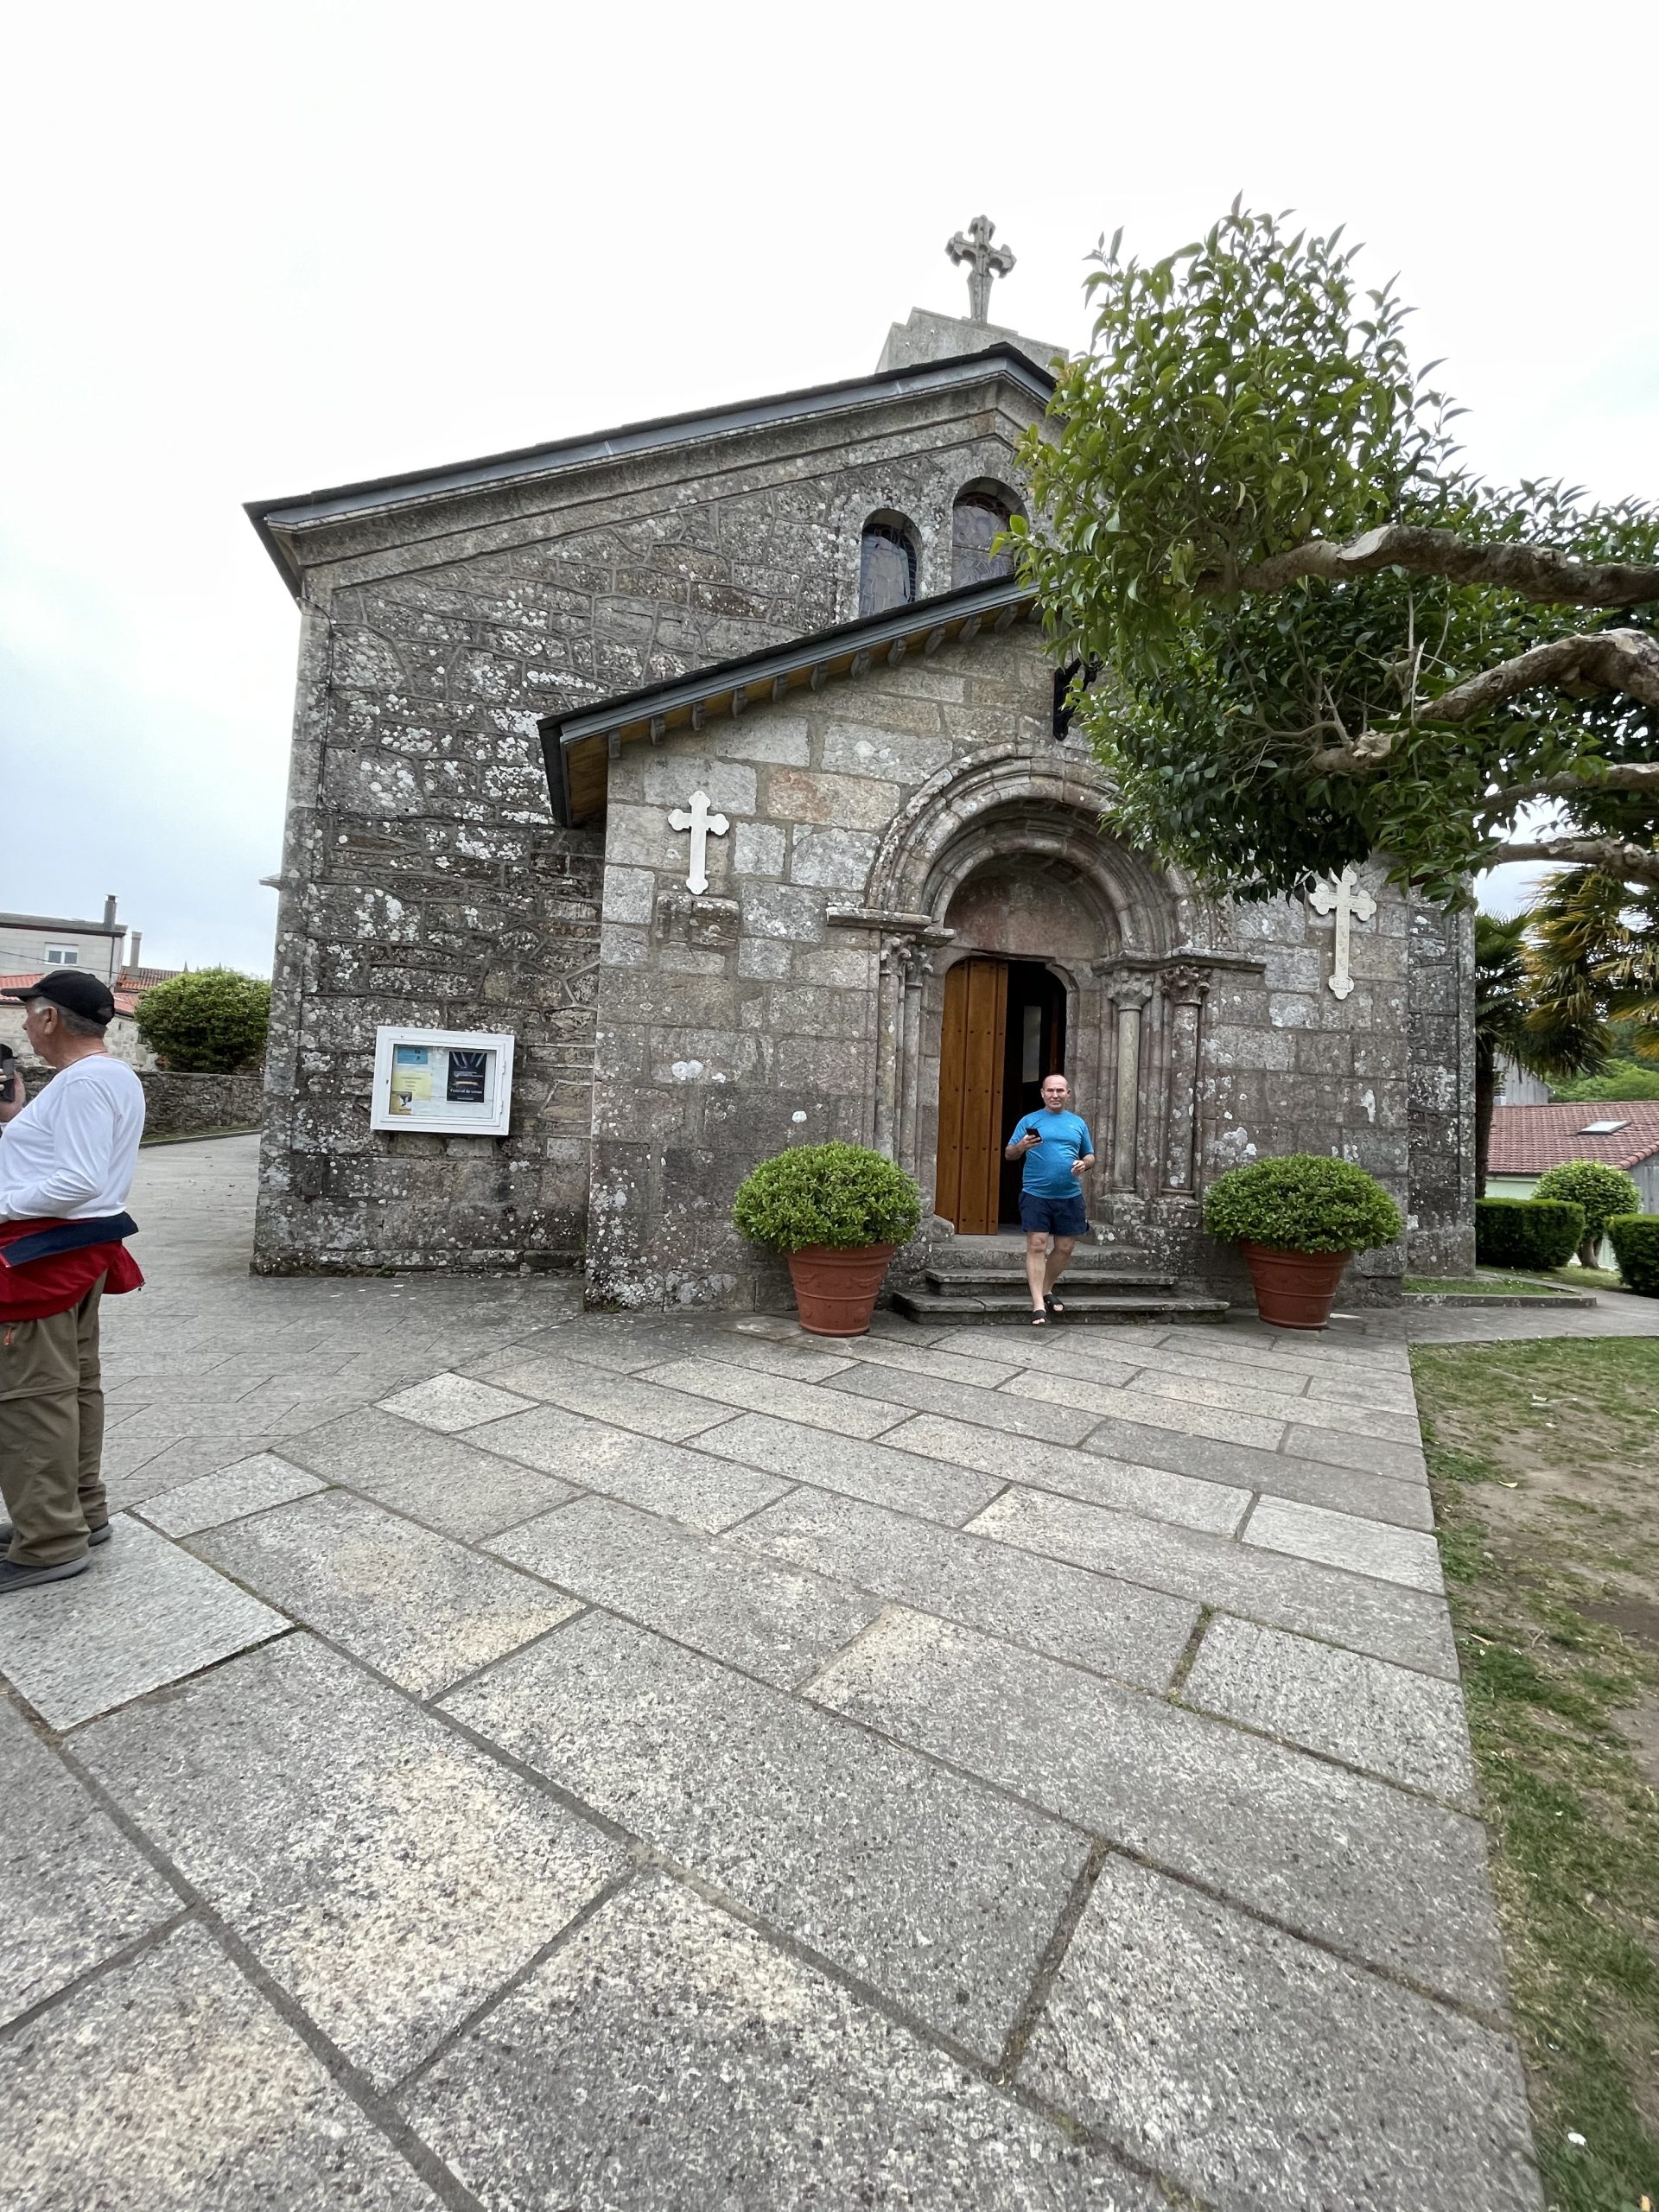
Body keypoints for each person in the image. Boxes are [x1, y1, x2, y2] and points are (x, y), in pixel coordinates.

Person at [0, 971, 145, 1591]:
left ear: (52, 1018)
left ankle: (51, 1539)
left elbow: (79, 1180)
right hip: (77, 1249)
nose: (26, 1024)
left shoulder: (84, 1082)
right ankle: (77, 1511)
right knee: (74, 1387)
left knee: (31, 1397)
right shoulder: (109, 1078)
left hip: (43, 1255)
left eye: (30, 1012)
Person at [1004, 1072, 1096, 1325]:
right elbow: (1009, 1154)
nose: (1055, 1095)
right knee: (1037, 1245)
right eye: (1050, 1091)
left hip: (1069, 1195)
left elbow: (1090, 1156)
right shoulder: (1029, 1120)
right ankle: (1037, 1306)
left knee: (1065, 1247)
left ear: (1068, 1094)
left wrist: (1083, 1164)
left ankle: (1046, 1289)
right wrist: (1022, 1146)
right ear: (1042, 1094)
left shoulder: (1077, 1123)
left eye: (1060, 1091)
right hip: (1036, 1194)